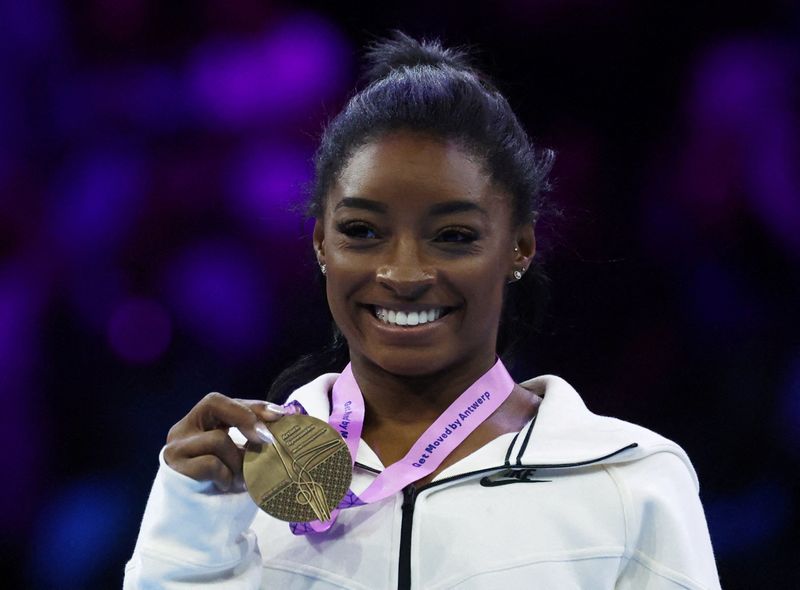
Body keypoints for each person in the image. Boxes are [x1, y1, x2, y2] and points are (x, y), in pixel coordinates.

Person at [124, 32, 721, 589]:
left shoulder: (627, 482)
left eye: (454, 236)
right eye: (362, 230)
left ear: (519, 246)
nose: (403, 274)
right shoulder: (234, 482)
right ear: (320, 243)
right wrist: (191, 525)